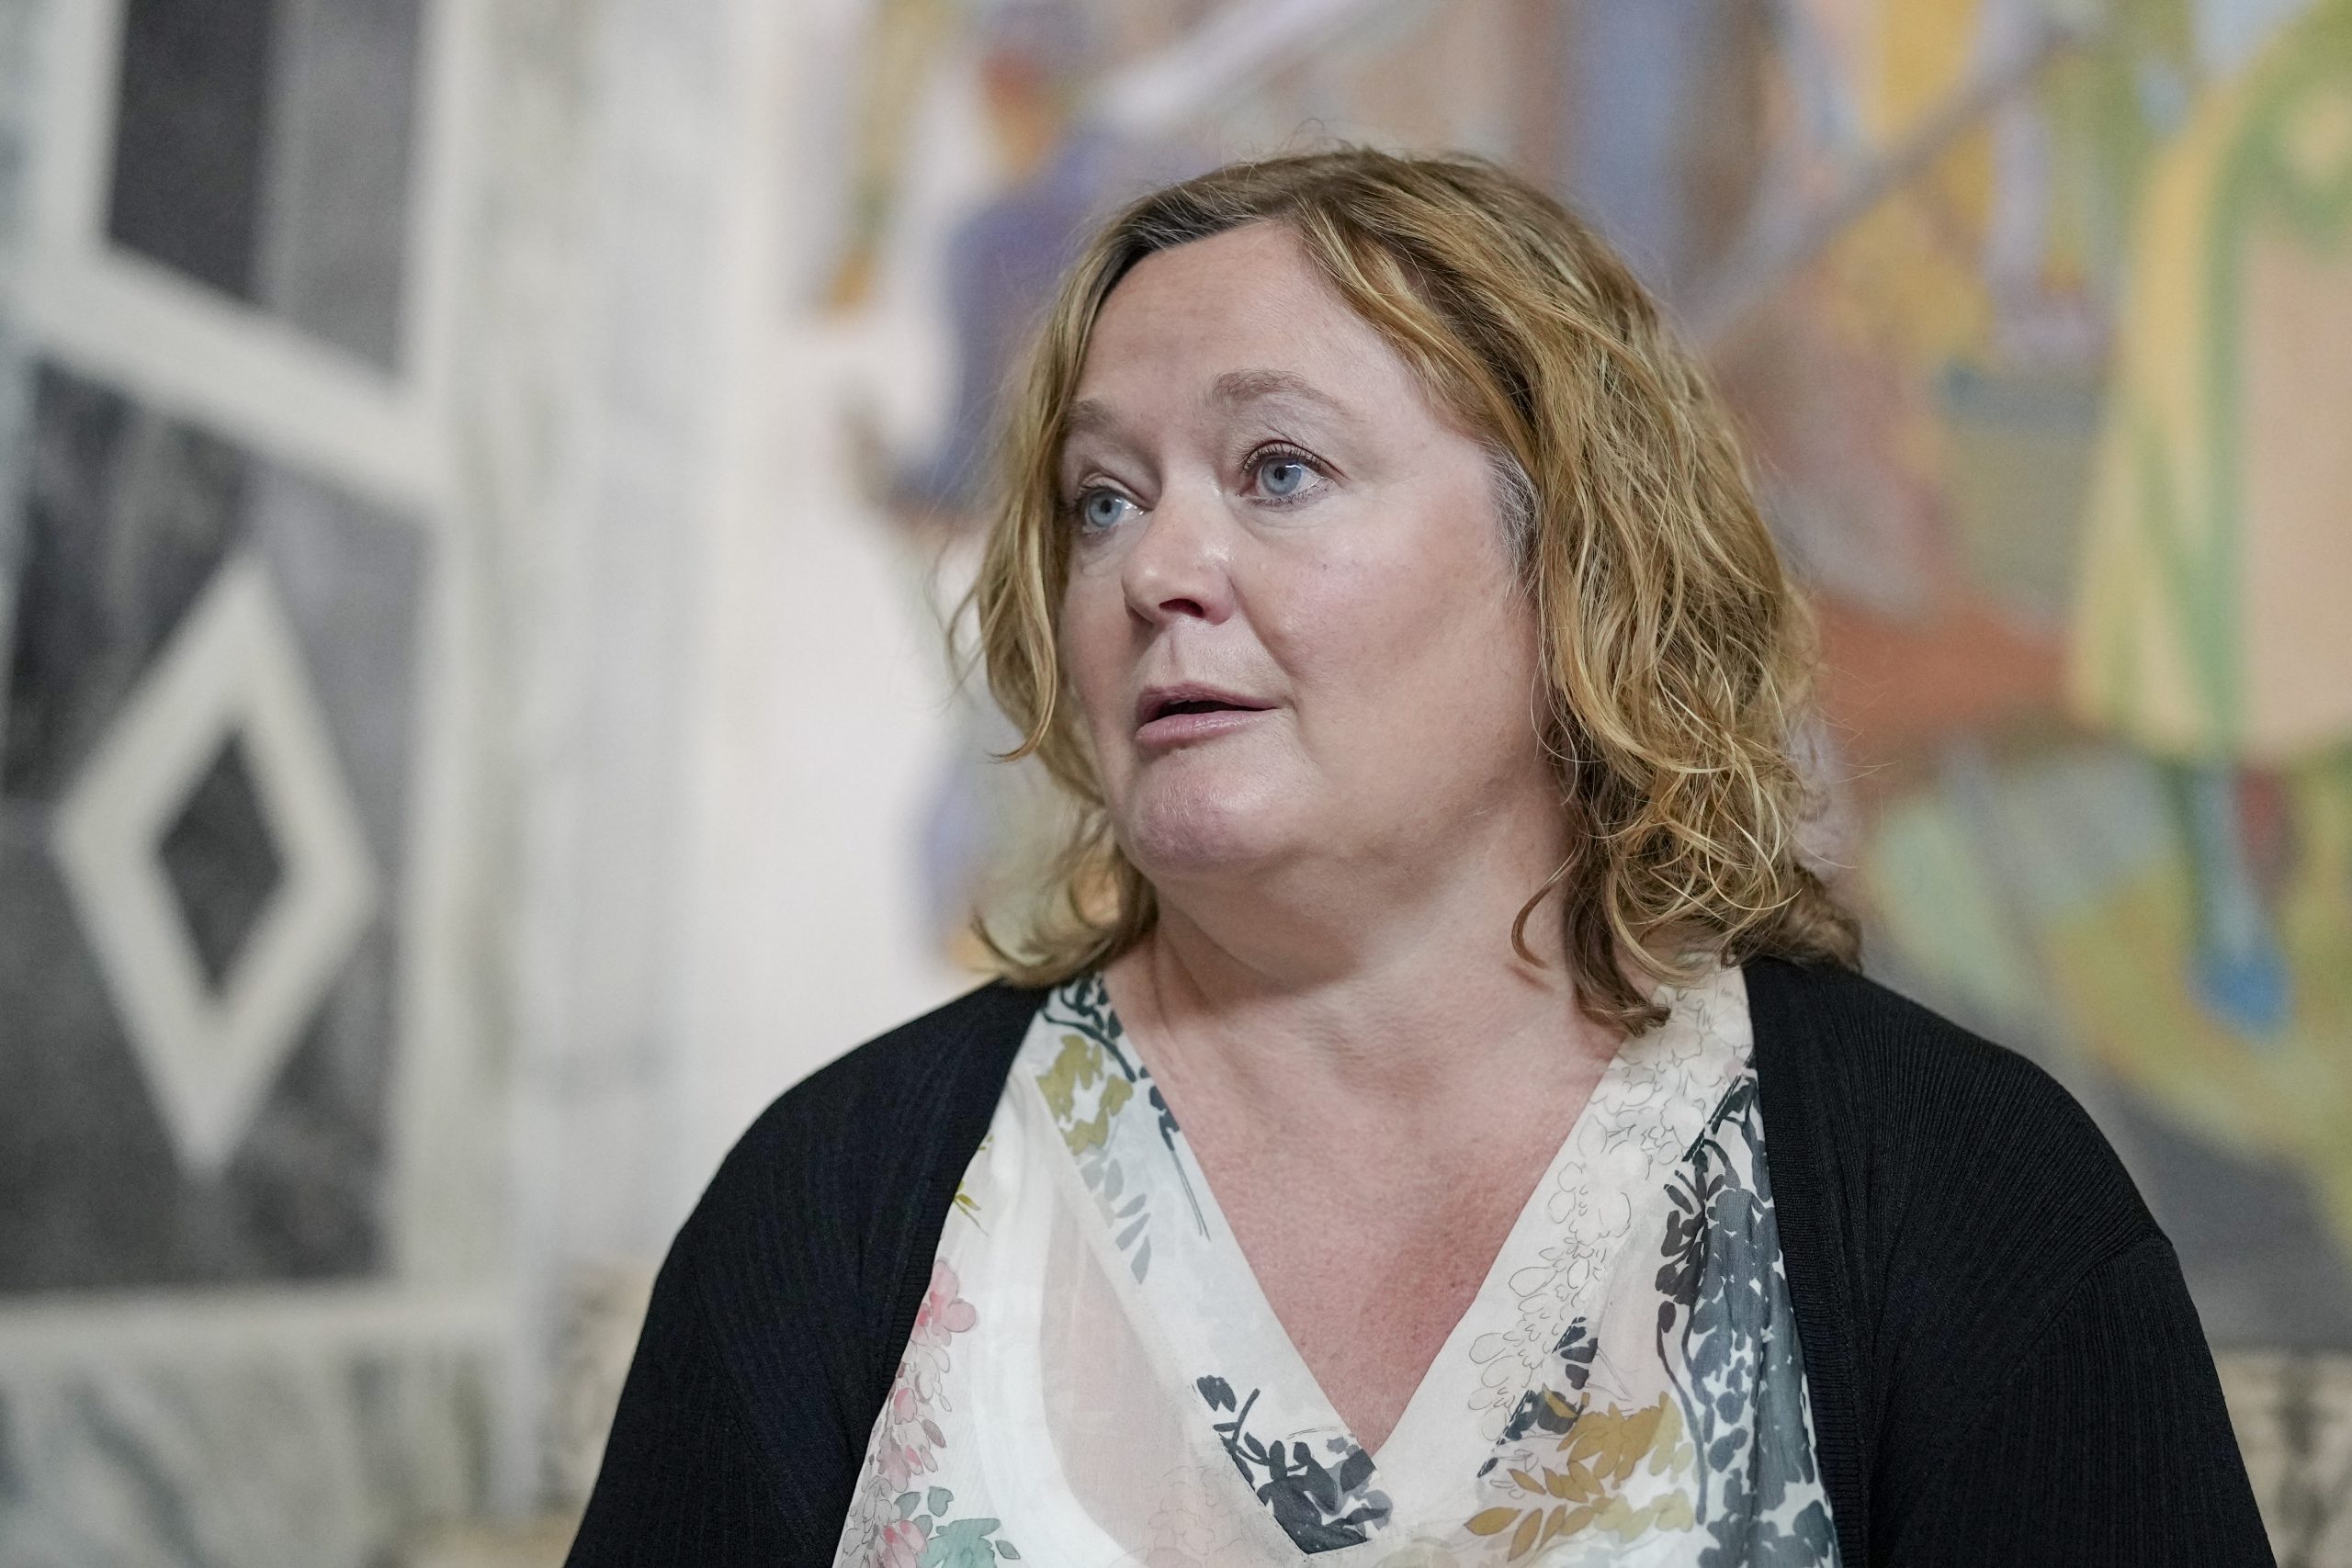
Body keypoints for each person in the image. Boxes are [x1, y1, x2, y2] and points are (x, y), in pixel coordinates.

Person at [566, 149, 2272, 1567]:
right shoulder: (838, 1207)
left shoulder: (1957, 1198)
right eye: (1103, 499)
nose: (1156, 569)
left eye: (1279, 469)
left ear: (1574, 563)